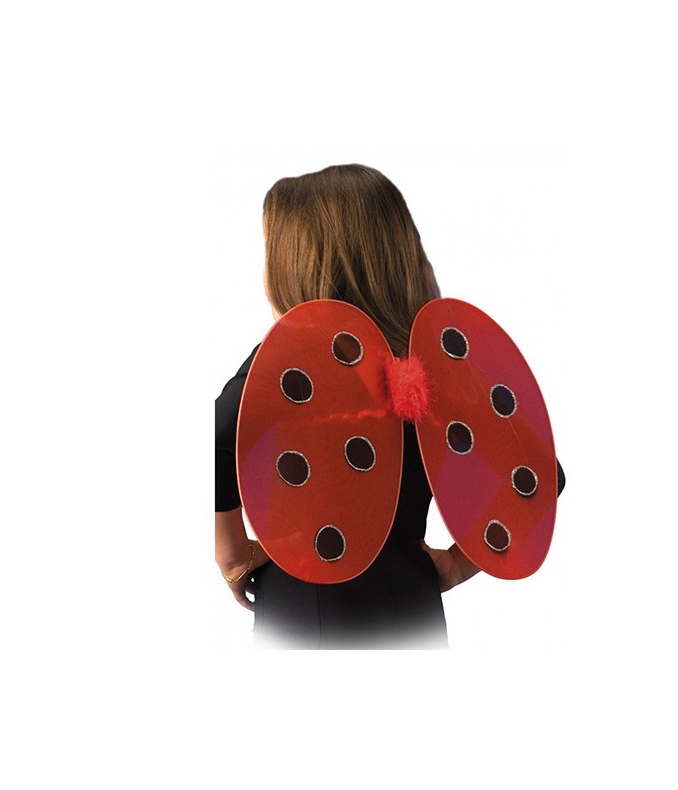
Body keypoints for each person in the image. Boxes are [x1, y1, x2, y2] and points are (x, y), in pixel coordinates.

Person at [215, 164, 565, 649]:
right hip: (413, 613)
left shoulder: (280, 373)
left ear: (296, 267)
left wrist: (233, 556)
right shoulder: (439, 368)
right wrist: (455, 565)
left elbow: (211, 443)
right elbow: (539, 475)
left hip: (306, 619)